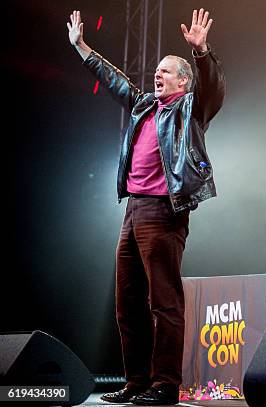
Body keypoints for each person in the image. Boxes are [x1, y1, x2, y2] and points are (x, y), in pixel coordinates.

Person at [67, 8, 225, 405]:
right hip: (133, 210)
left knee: (164, 302)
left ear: (183, 82)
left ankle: (165, 385)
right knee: (127, 301)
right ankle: (136, 382)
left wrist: (201, 53)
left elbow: (213, 88)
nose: (157, 75)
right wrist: (83, 48)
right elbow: (115, 81)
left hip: (165, 211)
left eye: (166, 72)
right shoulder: (144, 107)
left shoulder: (192, 109)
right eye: (156, 70)